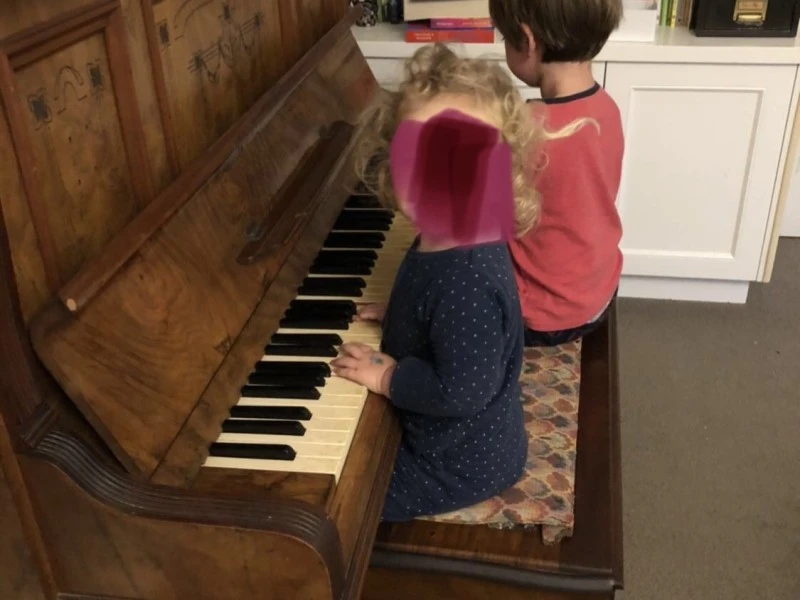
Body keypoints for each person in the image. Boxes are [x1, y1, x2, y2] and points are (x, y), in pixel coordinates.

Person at [330, 44, 546, 522]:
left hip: (460, 463)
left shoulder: (466, 279)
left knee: (343, 502)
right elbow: (448, 316)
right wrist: (407, 314)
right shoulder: (446, 236)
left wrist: (388, 376)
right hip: (458, 439)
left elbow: (462, 391)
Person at [490, 0, 626, 347]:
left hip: (543, 317)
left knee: (446, 244)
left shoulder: (530, 127)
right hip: (599, 293)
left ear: (526, 40)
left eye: (503, 37)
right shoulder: (605, 107)